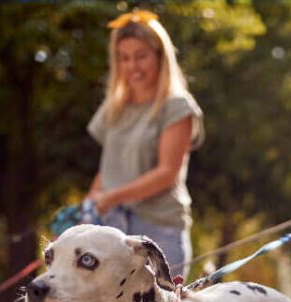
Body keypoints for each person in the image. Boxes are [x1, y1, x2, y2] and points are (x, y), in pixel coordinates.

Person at [86, 9, 204, 280]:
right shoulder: (115, 107)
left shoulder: (177, 107)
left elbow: (167, 173)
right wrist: (85, 211)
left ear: (161, 57)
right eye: (124, 58)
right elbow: (109, 168)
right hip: (113, 227)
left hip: (159, 230)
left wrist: (110, 198)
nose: (133, 66)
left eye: (141, 56)